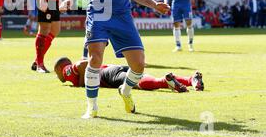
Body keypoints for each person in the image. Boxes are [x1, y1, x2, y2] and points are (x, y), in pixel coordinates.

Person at [54, 57, 204, 92]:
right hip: (113, 68)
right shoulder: (69, 70)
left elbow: (83, 64)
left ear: (60, 67)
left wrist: (81, 83)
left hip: (107, 75)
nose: (57, 75)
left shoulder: (66, 69)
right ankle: (191, 80)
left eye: (56, 72)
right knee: (142, 77)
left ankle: (165, 82)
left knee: (135, 83)